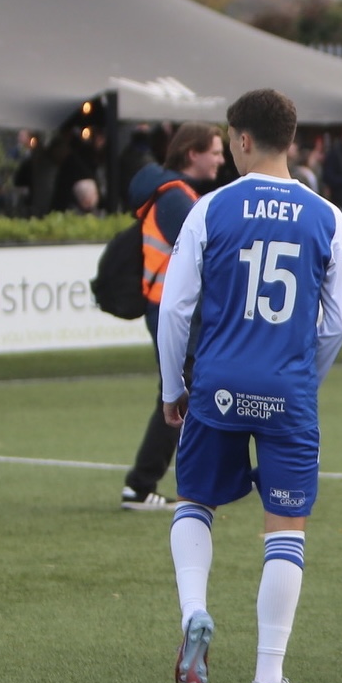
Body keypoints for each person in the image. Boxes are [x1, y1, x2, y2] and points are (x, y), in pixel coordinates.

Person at [157, 90, 342, 683]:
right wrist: (303, 379)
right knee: (285, 527)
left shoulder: (210, 209)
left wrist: (172, 387)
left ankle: (194, 612)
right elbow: (337, 323)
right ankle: (268, 677)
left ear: (241, 140)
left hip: (216, 382)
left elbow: (176, 308)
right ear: (289, 139)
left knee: (195, 500)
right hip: (287, 387)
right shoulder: (327, 216)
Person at [120, 124, 225, 511]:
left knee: (189, 387)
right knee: (181, 391)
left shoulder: (175, 194)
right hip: (173, 308)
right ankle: (140, 484)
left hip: (170, 306)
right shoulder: (177, 198)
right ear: (191, 153)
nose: (220, 158)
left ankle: (199, 474)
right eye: (214, 151)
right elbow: (214, 250)